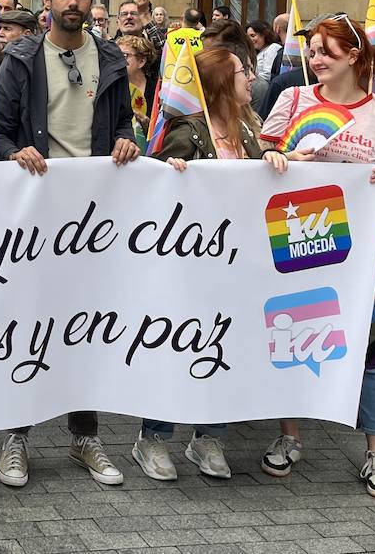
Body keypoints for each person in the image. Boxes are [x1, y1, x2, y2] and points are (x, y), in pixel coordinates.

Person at [0, 0, 138, 491]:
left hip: (95, 215)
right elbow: (0, 132)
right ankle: (17, 434)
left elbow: (124, 121)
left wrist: (129, 139)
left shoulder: (112, 58)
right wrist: (17, 152)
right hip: (38, 214)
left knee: (89, 326)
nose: (73, 2)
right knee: (30, 324)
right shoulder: (23, 59)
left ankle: (85, 436)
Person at [258, 14, 375, 499]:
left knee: (369, 350)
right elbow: (258, 161)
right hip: (298, 241)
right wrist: (278, 159)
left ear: (354, 56)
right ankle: (290, 436)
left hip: (365, 254)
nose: (315, 59)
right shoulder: (292, 100)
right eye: (313, 51)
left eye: (326, 51)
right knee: (293, 338)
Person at [139, 47, 290, 481]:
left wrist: (272, 160)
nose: (251, 78)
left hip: (240, 263)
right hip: (192, 264)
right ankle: (153, 437)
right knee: (177, 345)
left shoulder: (250, 127)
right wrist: (171, 168)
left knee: (227, 348)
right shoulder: (188, 130)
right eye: (242, 71)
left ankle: (209, 437)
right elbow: (154, 186)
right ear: (222, 82)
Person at [116, 34, 157, 146]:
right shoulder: (113, 88)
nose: (118, 60)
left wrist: (148, 124)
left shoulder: (158, 91)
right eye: (116, 55)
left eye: (124, 56)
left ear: (141, 61)